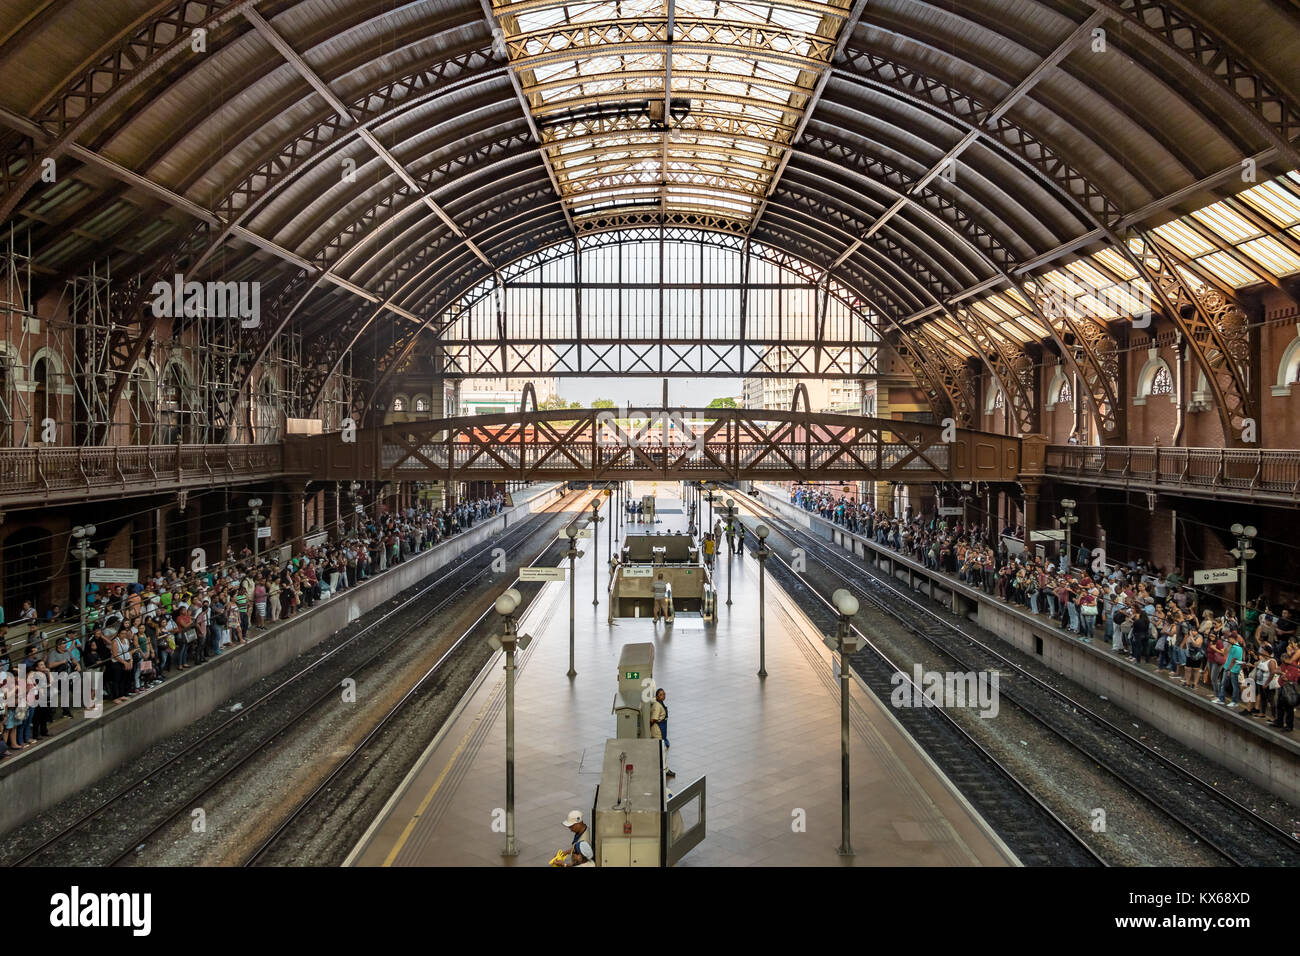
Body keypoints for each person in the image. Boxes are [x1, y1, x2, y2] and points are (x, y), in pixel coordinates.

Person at [650, 687, 675, 779]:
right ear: (657, 696)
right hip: (658, 730)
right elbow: (653, 719)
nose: (663, 696)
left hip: (661, 729)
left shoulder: (660, 703)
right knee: (662, 749)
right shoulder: (657, 705)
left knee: (661, 749)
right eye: (660, 694)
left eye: (664, 694)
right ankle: (665, 770)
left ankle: (662, 768)